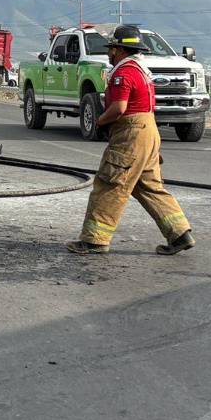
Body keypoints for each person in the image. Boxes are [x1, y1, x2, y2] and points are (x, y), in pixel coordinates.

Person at [67, 25, 195, 256]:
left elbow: (119, 108)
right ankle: (179, 234)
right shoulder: (140, 70)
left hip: (131, 135)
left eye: (111, 48)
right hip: (148, 132)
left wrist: (99, 121)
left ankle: (95, 240)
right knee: (149, 186)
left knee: (110, 184)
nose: (109, 53)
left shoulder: (123, 73)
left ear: (119, 49)